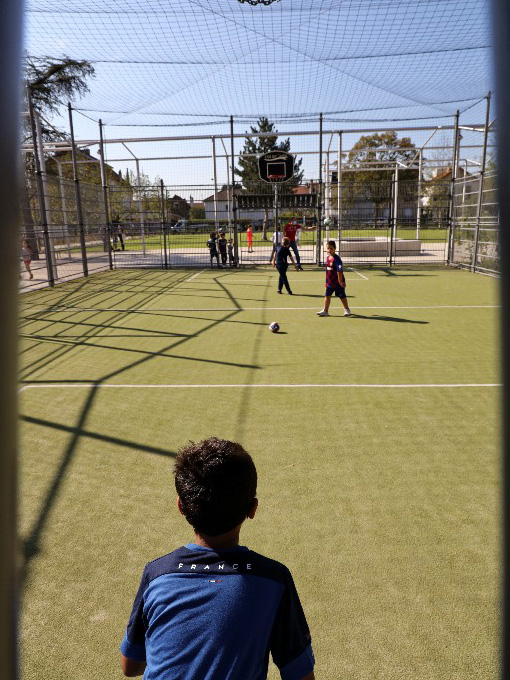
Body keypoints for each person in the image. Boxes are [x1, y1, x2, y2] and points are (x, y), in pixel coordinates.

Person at [120, 437, 315, 680]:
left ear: (181, 506)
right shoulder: (274, 579)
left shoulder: (157, 574)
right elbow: (300, 675)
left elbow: (130, 667)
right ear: (252, 509)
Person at [317, 240, 351, 317]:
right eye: (328, 248)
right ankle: (325, 311)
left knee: (342, 296)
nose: (329, 250)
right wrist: (326, 281)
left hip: (337, 282)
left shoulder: (337, 259)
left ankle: (347, 309)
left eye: (331, 248)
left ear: (335, 248)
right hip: (329, 282)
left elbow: (339, 270)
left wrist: (340, 281)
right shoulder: (328, 258)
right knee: (327, 295)